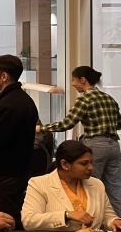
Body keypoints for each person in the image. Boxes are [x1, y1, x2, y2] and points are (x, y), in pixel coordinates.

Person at [39, 65, 121, 216]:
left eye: (74, 80)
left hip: (96, 146)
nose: (72, 83)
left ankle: (91, 224)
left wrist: (42, 129)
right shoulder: (109, 98)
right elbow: (119, 123)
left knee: (90, 187)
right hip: (114, 146)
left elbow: (68, 123)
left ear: (83, 80)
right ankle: (117, 226)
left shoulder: (84, 99)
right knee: (115, 189)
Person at [0, 54, 39, 227]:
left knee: (1, 221)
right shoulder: (23, 100)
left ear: (4, 77)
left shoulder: (9, 105)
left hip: (2, 176)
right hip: (15, 173)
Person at [22, 140, 121, 231]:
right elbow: (29, 221)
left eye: (91, 162)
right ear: (65, 164)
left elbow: (108, 216)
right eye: (84, 163)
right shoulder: (39, 184)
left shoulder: (97, 184)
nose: (91, 167)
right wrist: (66, 215)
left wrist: (114, 222)